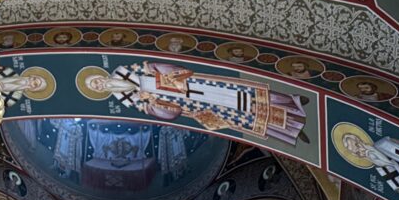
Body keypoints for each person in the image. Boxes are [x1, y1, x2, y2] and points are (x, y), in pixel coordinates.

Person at [81, 62, 308, 145]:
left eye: (97, 81)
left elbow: (157, 67)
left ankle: (290, 102)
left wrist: (170, 77)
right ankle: (290, 128)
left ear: (101, 75)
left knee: (240, 92)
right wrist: (153, 102)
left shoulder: (123, 70)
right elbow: (167, 114)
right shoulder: (124, 99)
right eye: (97, 87)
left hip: (193, 84)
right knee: (237, 115)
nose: (100, 84)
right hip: (193, 105)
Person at [337, 130, 399, 200]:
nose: (360, 150)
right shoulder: (381, 167)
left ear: (359, 140)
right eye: (356, 152)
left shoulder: (384, 143)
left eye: (357, 145)